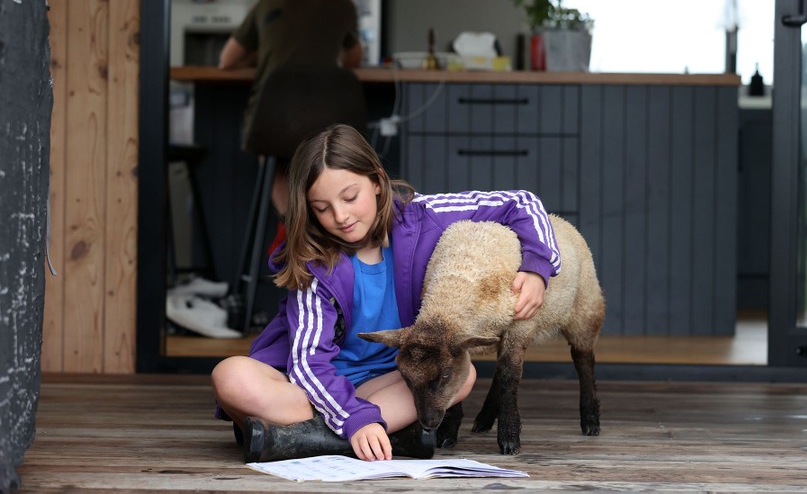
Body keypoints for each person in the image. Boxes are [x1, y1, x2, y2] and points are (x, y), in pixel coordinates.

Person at [211, 124, 561, 462]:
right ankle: (375, 434)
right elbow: (307, 363)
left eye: (350, 197)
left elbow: (521, 202)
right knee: (230, 376)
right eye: (322, 208)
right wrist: (353, 418)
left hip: (391, 383)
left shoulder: (424, 216)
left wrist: (537, 267)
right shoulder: (312, 261)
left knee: (463, 375)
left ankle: (297, 439)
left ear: (377, 181)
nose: (341, 216)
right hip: (307, 390)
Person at [218, 0, 363, 215]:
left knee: (275, 155)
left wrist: (262, 56)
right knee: (320, 157)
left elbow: (226, 60)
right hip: (330, 126)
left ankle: (290, 228)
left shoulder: (268, 4)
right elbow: (352, 60)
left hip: (274, 123)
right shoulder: (343, 6)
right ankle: (318, 235)